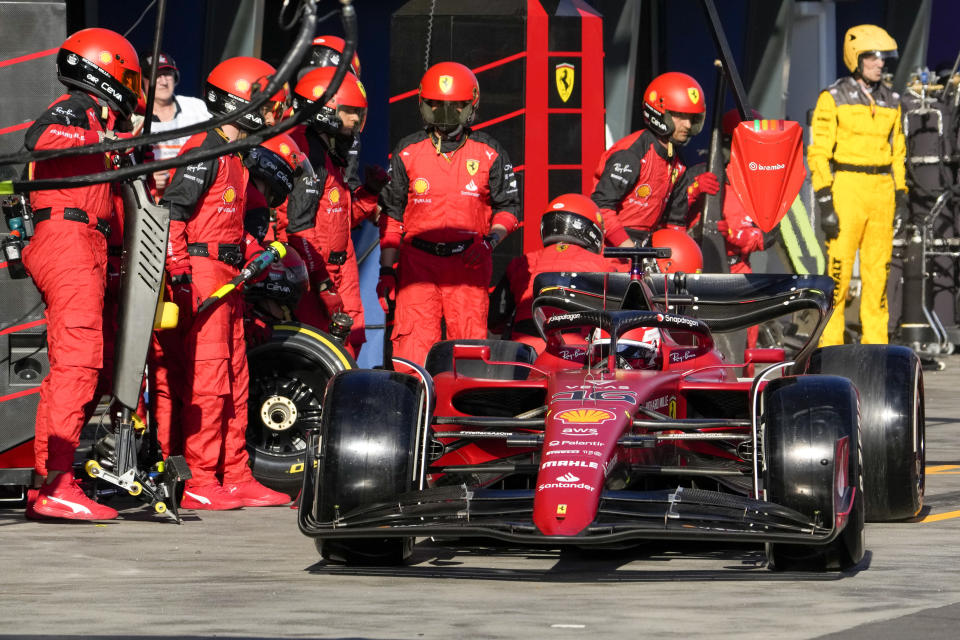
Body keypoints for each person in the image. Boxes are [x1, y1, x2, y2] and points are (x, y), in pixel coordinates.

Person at [159, 56, 291, 510]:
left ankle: (234, 473)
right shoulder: (205, 148)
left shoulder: (236, 156)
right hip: (202, 274)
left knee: (236, 378)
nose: (271, 113)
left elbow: (234, 225)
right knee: (210, 381)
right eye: (264, 103)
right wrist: (179, 272)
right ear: (240, 102)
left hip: (229, 276)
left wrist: (262, 254)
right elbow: (173, 214)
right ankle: (199, 478)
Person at [23, 28, 143, 520]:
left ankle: (51, 479)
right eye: (129, 76)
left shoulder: (97, 116)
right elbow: (39, 139)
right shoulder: (75, 108)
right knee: (78, 361)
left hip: (87, 243)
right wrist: (107, 138)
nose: (134, 86)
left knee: (84, 363)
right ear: (104, 68)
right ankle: (57, 484)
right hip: (67, 240)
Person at [378, 61, 521, 365]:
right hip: (417, 266)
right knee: (412, 350)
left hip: (468, 263)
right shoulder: (407, 151)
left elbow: (509, 208)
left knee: (468, 351)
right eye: (436, 107)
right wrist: (387, 271)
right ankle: (415, 407)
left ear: (470, 107)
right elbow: (392, 215)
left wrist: (489, 243)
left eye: (453, 107)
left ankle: (463, 412)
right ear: (423, 106)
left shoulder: (489, 152)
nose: (444, 115)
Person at [808, 25, 907, 346]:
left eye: (883, 58)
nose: (881, 63)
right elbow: (819, 153)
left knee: (878, 278)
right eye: (874, 57)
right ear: (857, 58)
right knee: (837, 278)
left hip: (882, 191)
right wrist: (825, 201)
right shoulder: (833, 97)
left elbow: (899, 152)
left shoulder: (893, 100)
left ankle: (877, 349)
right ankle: (830, 348)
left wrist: (901, 194)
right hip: (846, 189)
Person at [286, 66, 368, 355]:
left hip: (341, 267)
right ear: (326, 111)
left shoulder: (334, 155)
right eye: (350, 111)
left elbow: (341, 219)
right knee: (318, 353)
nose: (357, 119)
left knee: (351, 345)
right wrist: (322, 284)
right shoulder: (307, 151)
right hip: (312, 272)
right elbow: (299, 227)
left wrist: (369, 197)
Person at [591, 71, 719, 247]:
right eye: (680, 116)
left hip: (645, 247)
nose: (688, 125)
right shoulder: (632, 153)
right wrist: (628, 248)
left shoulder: (678, 165)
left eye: (692, 118)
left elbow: (674, 222)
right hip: (611, 247)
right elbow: (600, 208)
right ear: (659, 113)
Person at [489, 193, 621, 353]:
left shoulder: (523, 263)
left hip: (524, 355)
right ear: (590, 230)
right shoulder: (606, 265)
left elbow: (494, 320)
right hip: (577, 355)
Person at [139, 52, 210, 197]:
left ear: (176, 78)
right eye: (156, 76)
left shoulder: (197, 107)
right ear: (142, 81)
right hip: (151, 201)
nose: (163, 81)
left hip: (194, 196)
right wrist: (146, 177)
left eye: (168, 74)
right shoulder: (134, 117)